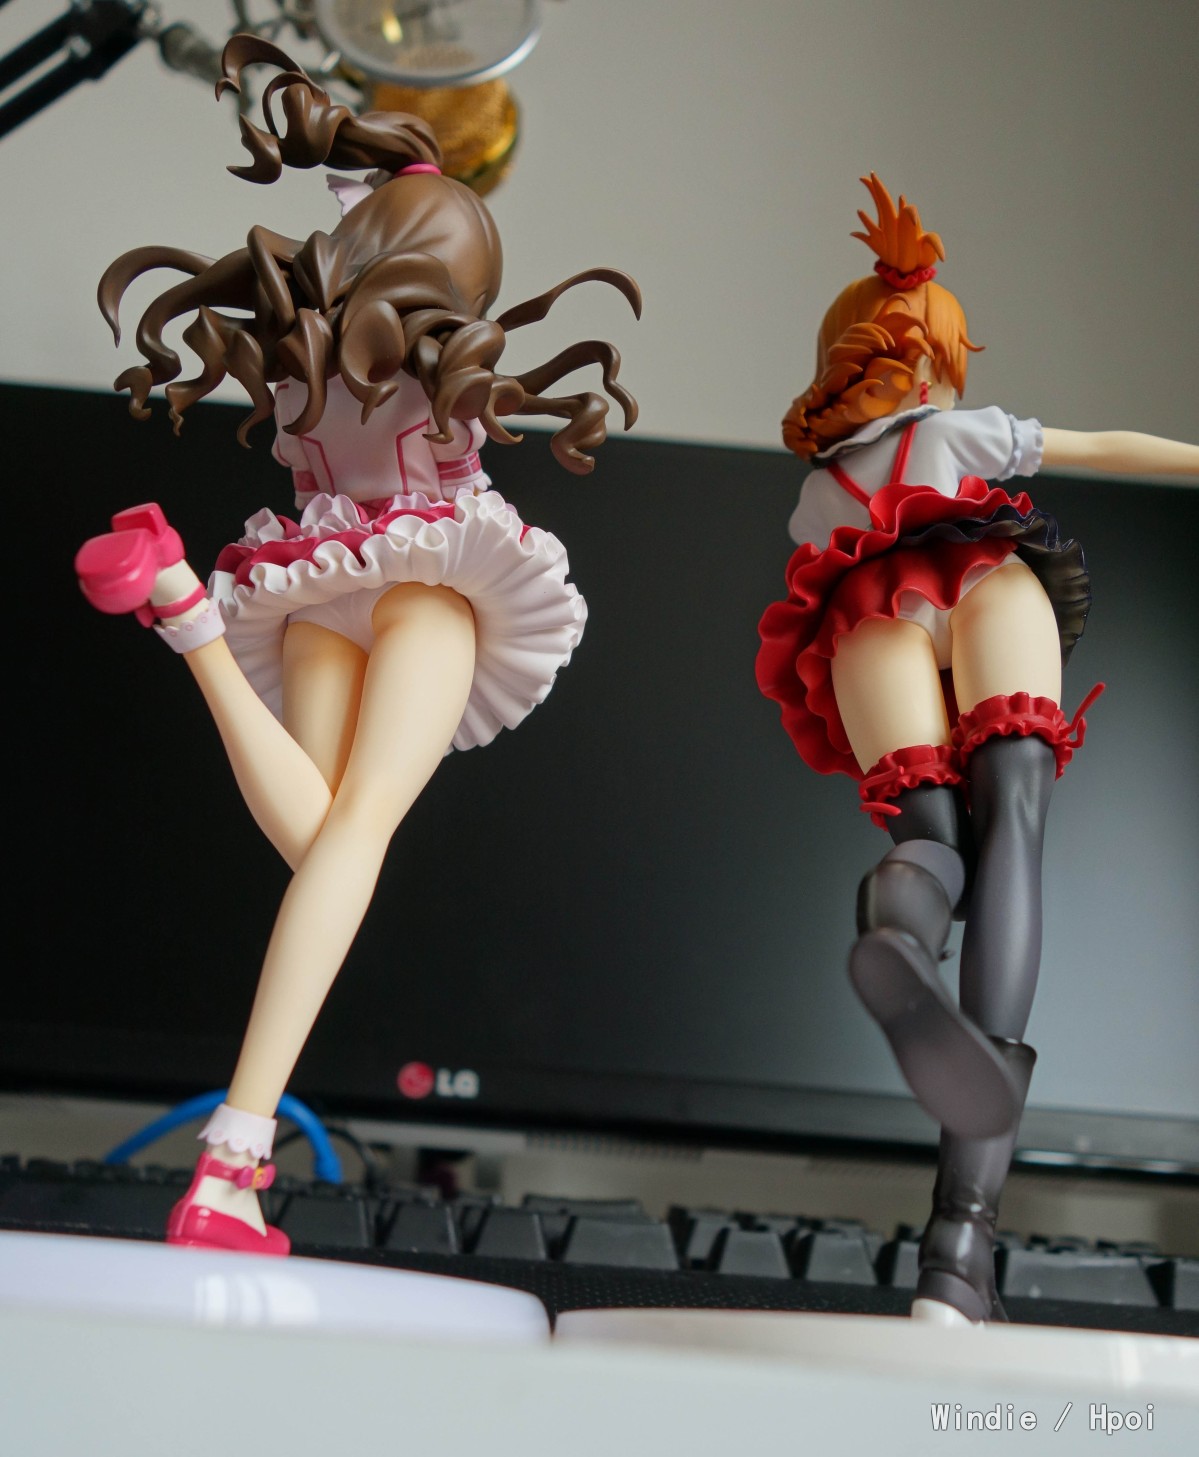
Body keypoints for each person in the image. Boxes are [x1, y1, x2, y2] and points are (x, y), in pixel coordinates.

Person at [75, 34, 640, 1256]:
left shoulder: (299, 359)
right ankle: (231, 1153)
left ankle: (189, 618)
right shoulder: (439, 363)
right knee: (355, 833)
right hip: (428, 585)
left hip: (310, 585)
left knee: (321, 841)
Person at [756, 174, 1198, 1324]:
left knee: (929, 831)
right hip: (983, 585)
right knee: (1014, 830)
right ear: (932, 365)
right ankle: (958, 1247)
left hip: (862, 623)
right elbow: (1102, 445)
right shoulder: (957, 428)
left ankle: (898, 932)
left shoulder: (817, 489)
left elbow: (827, 562)